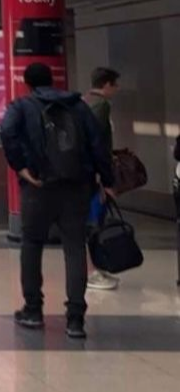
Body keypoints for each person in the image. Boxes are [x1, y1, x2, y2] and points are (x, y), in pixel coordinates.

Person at [0, 62, 115, 340]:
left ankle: (33, 310)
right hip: (76, 186)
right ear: (52, 80)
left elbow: (6, 130)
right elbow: (98, 142)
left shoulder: (22, 106)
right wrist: (106, 179)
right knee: (75, 247)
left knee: (31, 244)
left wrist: (21, 167)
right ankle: (75, 318)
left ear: (28, 83)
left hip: (38, 187)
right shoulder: (78, 106)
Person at [84, 66, 121, 291]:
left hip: (83, 171)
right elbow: (97, 143)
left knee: (89, 221)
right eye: (115, 84)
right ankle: (92, 270)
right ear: (106, 84)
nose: (116, 89)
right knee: (93, 220)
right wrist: (104, 180)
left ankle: (93, 267)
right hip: (93, 174)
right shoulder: (101, 105)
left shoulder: (83, 100)